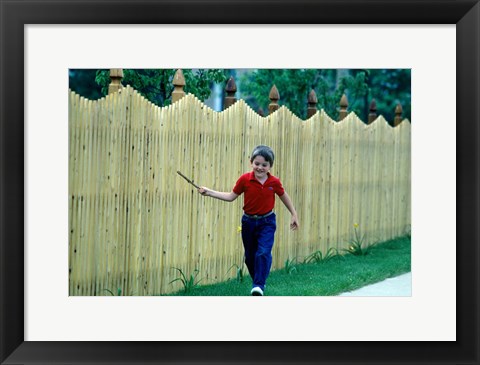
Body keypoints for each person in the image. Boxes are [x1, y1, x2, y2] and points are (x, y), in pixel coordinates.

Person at [198, 145, 299, 296]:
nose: (260, 168)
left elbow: (283, 196)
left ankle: (259, 285)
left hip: (267, 222)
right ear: (251, 162)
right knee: (250, 257)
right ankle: (258, 281)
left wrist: (294, 214)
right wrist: (209, 192)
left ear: (270, 166)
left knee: (263, 252)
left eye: (264, 165)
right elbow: (231, 197)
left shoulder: (274, 182)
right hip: (248, 223)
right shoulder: (245, 180)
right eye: (257, 164)